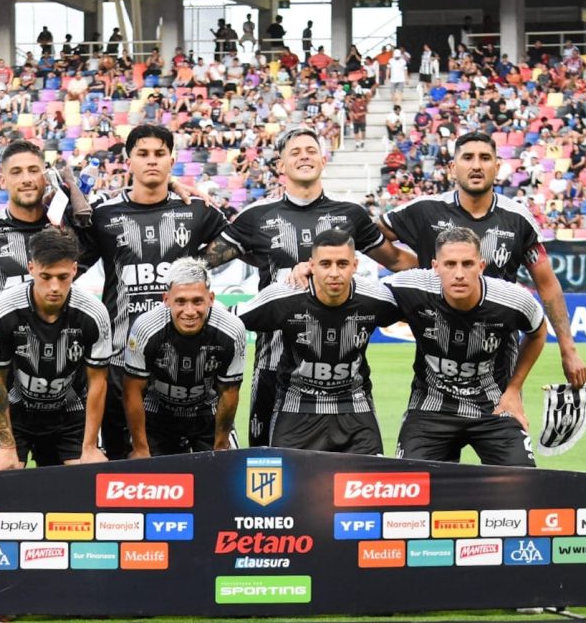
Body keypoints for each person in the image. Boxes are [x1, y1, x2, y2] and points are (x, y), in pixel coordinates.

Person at [203, 125, 411, 447]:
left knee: (352, 473)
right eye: (295, 152)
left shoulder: (350, 215)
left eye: (311, 150)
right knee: (269, 467)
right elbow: (200, 265)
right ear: (280, 166)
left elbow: (396, 260)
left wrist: (445, 275)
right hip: (273, 359)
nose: (304, 157)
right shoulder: (255, 217)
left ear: (324, 160)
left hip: (339, 364)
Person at [377, 130, 586, 390]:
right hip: (438, 351)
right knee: (431, 422)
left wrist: (569, 350)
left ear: (497, 166)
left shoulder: (517, 219)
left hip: (498, 357)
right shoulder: (425, 211)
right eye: (467, 158)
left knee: (502, 422)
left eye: (485, 158)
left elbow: (548, 285)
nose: (476, 165)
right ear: (453, 168)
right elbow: (370, 236)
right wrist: (411, 265)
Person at [79, 124, 228, 459]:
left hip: (184, 361)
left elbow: (239, 242)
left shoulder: (195, 210)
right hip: (121, 358)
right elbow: (66, 262)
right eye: (142, 154)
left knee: (200, 471)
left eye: (160, 154)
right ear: (128, 160)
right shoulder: (104, 214)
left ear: (171, 160)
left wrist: (195, 265)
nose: (151, 161)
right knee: (124, 467)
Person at [0, 140, 90, 471]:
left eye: (34, 170)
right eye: (16, 172)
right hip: (2, 377)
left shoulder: (69, 229)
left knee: (68, 492)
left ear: (46, 176)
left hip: (64, 383)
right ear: (2, 180)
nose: (26, 178)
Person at [388, 227, 547, 466]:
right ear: (435, 266)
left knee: (522, 483)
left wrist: (514, 389)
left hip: (494, 408)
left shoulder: (513, 300)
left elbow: (537, 332)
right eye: (450, 264)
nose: (459, 273)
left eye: (468, 264)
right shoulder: (409, 287)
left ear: (481, 266)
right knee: (412, 489)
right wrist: (310, 270)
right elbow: (361, 295)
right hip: (430, 409)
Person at [238, 229, 402, 454]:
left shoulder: (376, 299)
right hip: (296, 408)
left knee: (369, 486)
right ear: (311, 265)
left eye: (342, 264)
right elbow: (227, 319)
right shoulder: (284, 296)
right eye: (325, 264)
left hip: (354, 405)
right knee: (289, 487)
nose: (334, 273)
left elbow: (422, 307)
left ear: (355, 266)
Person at [0, 227, 111, 469]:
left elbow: (97, 382)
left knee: (88, 475)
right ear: (31, 268)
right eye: (45, 276)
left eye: (63, 277)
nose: (54, 287)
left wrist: (90, 447)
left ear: (74, 269)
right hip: (17, 411)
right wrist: (7, 447)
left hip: (70, 413)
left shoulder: (94, 313)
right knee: (4, 473)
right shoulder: (4, 309)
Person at [124, 257, 246, 457]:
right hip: (157, 414)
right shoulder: (145, 327)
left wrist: (221, 446)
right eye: (180, 301)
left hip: (208, 412)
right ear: (166, 300)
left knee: (226, 476)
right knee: (148, 478)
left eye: (198, 301)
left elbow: (229, 392)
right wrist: (140, 448)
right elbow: (132, 391)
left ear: (211, 299)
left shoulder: (231, 329)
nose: (189, 312)